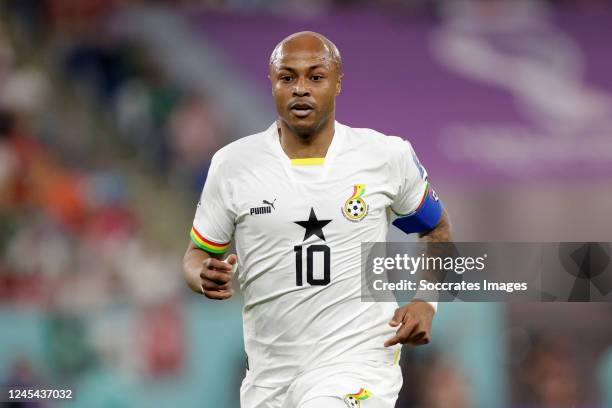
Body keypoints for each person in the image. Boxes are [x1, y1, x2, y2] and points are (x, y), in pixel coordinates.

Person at [182, 31, 452, 408]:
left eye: (315, 77)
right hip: (269, 378)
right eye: (288, 77)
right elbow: (197, 253)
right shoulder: (233, 166)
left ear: (338, 82)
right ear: (272, 83)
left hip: (358, 364)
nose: (300, 89)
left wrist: (427, 301)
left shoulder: (384, 156)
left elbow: (436, 229)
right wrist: (202, 275)